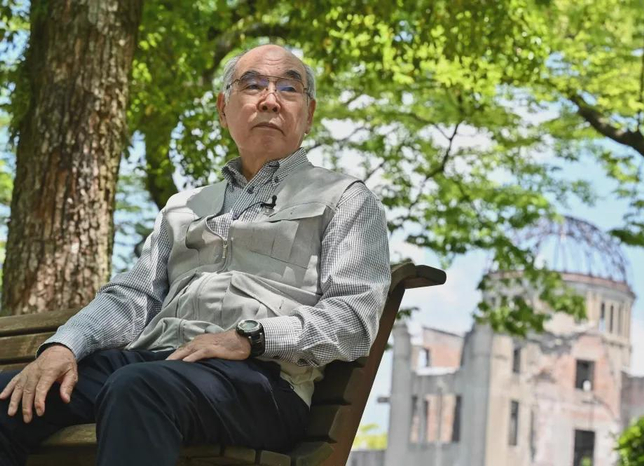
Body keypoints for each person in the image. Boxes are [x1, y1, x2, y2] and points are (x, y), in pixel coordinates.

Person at [0, 44, 391, 466]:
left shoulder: (345, 199)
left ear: (309, 114)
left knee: (139, 386)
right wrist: (63, 346)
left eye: (288, 88)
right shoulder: (183, 206)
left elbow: (354, 318)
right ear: (224, 109)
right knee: (10, 397)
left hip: (261, 382)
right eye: (253, 85)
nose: (270, 99)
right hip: (157, 363)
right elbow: (132, 298)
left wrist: (251, 337)